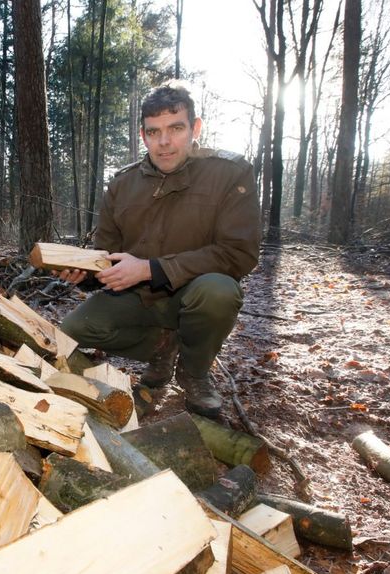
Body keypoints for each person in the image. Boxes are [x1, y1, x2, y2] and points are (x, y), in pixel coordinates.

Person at [58, 82, 261, 417]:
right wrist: (85, 275)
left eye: (176, 129)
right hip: (141, 299)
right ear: (143, 135)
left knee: (220, 292)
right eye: (153, 132)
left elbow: (239, 253)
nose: (164, 142)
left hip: (195, 294)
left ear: (195, 128)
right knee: (73, 331)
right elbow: (107, 255)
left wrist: (152, 268)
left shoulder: (229, 173)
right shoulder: (123, 183)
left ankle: (194, 372)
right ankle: (162, 349)